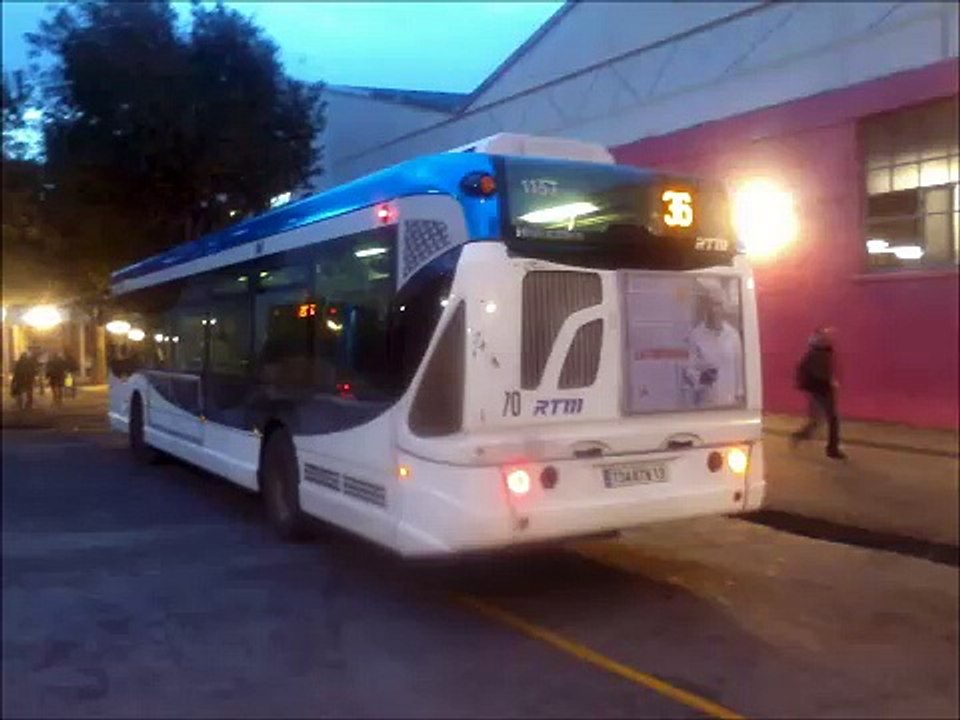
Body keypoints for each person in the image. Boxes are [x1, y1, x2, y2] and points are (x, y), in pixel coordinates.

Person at [687, 279, 744, 407]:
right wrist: (701, 377)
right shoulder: (696, 335)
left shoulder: (733, 336)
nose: (714, 310)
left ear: (723, 307)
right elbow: (689, 370)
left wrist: (739, 400)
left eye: (718, 304)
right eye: (711, 304)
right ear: (704, 307)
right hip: (705, 405)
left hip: (730, 406)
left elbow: (739, 375)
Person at [792, 327, 846, 459]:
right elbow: (822, 374)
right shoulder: (818, 355)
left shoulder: (818, 354)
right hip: (821, 390)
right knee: (831, 420)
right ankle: (831, 449)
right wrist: (830, 382)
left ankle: (801, 435)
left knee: (817, 420)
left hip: (818, 390)